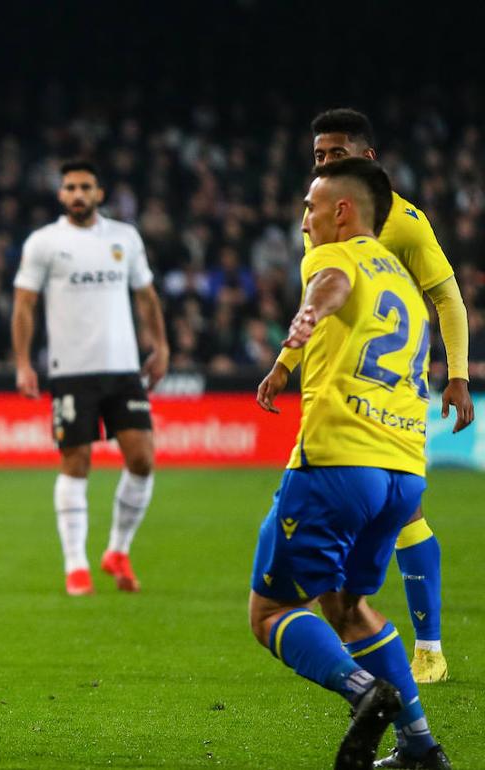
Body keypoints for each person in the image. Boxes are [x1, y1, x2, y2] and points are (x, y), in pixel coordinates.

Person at [257, 109, 473, 684]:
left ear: (367, 157)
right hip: (346, 380)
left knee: (405, 519)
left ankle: (426, 648)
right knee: (395, 514)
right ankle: (393, 666)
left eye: (336, 154)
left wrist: (458, 374)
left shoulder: (403, 222)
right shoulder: (326, 213)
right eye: (320, 155)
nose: (325, 163)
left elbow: (447, 298)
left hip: (387, 391)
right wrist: (289, 363)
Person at [249, 158, 449, 770]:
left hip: (338, 461)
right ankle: (420, 747)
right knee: (349, 606)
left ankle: (364, 691)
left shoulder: (335, 254)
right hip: (403, 473)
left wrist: (298, 331)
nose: (304, 218)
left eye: (311, 206)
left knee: (274, 611)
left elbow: (326, 287)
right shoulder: (408, 288)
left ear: (343, 210)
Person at [11, 159, 168, 596]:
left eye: (86, 187)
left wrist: (161, 346)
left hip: (123, 369)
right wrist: (24, 363)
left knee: (142, 459)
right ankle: (76, 565)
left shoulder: (125, 237)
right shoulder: (45, 242)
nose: (78, 194)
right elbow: (23, 305)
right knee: (76, 462)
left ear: (99, 194)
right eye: (70, 187)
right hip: (71, 370)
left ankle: (118, 549)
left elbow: (146, 295)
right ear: (61, 195)